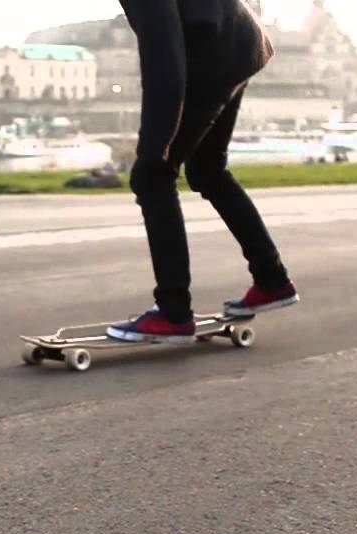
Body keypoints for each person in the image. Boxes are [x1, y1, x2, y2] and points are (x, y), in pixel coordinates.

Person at [107, 0, 300, 344]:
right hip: (242, 41)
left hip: (215, 50)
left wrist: (157, 143)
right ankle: (272, 279)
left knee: (152, 176)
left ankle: (173, 312)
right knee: (207, 169)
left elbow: (163, 54)